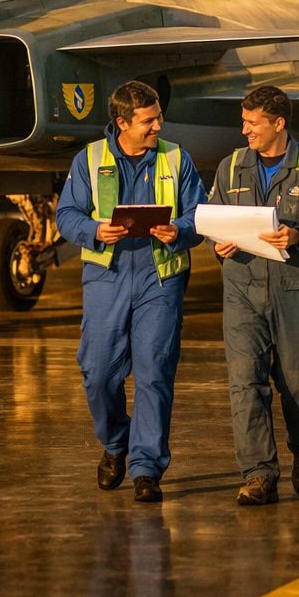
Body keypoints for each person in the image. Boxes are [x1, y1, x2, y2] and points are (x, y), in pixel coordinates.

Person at [55, 80, 205, 503]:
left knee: (155, 373)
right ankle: (116, 443)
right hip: (108, 274)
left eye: (158, 116)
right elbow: (66, 214)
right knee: (98, 371)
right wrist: (94, 230)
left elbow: (199, 214)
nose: (158, 125)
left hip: (160, 277)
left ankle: (146, 466)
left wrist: (180, 230)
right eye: (148, 120)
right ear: (121, 123)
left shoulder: (177, 158)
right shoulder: (90, 159)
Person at [208, 85, 299, 506]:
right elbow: (215, 214)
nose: (244, 130)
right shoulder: (231, 166)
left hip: (296, 287)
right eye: (243, 121)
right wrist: (218, 243)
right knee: (245, 383)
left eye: (252, 123)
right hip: (242, 289)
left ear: (278, 124)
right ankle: (258, 473)